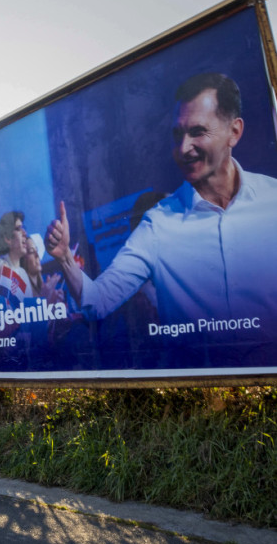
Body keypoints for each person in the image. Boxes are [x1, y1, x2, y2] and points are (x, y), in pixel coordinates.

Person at [44, 73, 277, 356]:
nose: (183, 148)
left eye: (198, 132)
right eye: (178, 134)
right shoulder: (158, 224)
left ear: (234, 132)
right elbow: (98, 301)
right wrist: (65, 258)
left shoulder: (272, 199)